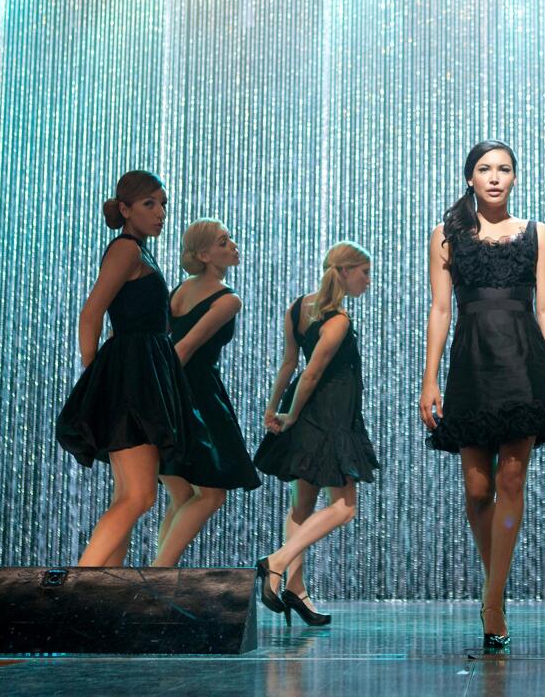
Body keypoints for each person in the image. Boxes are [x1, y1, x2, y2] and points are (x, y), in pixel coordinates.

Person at [419, 141, 545, 651]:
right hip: (471, 362)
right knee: (475, 488)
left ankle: (492, 601)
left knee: (512, 480)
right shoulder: (446, 235)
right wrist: (429, 378)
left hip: (523, 361)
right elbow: (440, 310)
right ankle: (496, 588)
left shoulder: (537, 233)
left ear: (514, 177)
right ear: (470, 177)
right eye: (485, 169)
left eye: (504, 169)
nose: (494, 177)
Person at [57, 170, 221, 567]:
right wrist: (97, 374)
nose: (161, 212)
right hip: (130, 377)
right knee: (140, 495)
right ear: (126, 209)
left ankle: (102, 591)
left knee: (129, 494)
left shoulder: (140, 251)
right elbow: (90, 314)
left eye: (163, 203)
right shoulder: (126, 249)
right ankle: (78, 585)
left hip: (140, 373)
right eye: (150, 203)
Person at [253, 242, 379, 625]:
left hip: (304, 412)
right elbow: (310, 372)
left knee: (302, 505)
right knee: (345, 506)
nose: (368, 281)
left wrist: (276, 406)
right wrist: (285, 415)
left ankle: (295, 588)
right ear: (343, 271)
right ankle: (276, 561)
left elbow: (289, 364)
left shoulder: (298, 307)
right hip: (329, 417)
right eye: (364, 272)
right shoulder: (338, 320)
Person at [155, 218, 261, 567]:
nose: (232, 245)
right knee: (212, 494)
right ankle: (159, 573)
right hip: (198, 396)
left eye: (229, 239)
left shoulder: (180, 290)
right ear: (203, 254)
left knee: (182, 493)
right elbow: (183, 350)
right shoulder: (228, 300)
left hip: (169, 392)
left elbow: (166, 345)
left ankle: (156, 573)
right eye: (222, 242)